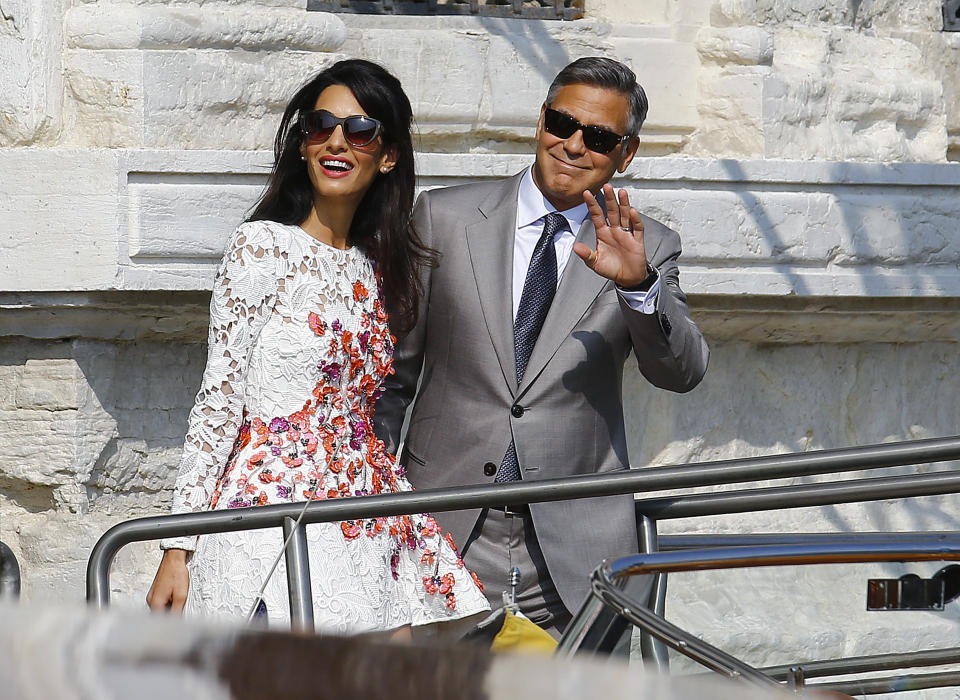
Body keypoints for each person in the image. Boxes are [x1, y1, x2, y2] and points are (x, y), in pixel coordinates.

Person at [146, 59, 489, 634]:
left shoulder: (381, 264)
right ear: (302, 145)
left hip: (364, 514)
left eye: (360, 131)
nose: (336, 142)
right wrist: (177, 545)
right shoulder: (261, 248)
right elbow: (219, 404)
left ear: (388, 155)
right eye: (320, 126)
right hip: (266, 513)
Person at [373, 57, 709, 639]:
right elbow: (390, 379)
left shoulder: (647, 244)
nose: (573, 145)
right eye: (561, 123)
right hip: (442, 525)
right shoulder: (442, 217)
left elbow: (682, 371)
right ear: (540, 121)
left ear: (626, 155)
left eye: (598, 138)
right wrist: (370, 510)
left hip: (574, 550)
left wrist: (637, 286)